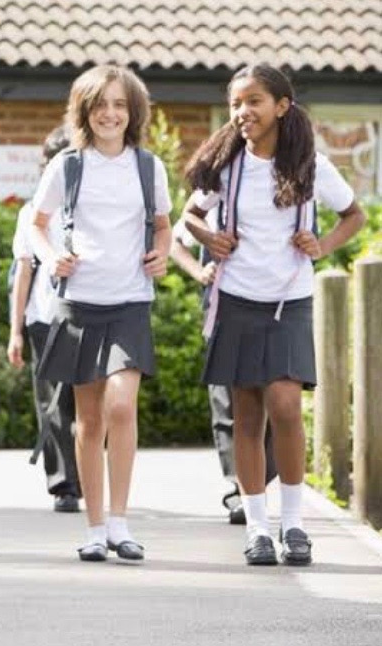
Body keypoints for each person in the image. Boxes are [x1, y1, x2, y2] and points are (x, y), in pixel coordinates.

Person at [182, 63, 365, 566]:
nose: (242, 112)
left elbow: (355, 215)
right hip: (238, 299)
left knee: (285, 406)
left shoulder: (310, 165)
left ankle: (294, 524)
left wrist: (322, 244)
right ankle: (258, 528)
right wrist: (209, 238)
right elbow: (189, 218)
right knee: (247, 415)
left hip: (289, 299)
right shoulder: (227, 167)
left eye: (254, 101)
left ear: (282, 106)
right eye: (236, 103)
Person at [30, 65, 172, 562]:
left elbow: (162, 226)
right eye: (100, 105)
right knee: (88, 421)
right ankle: (94, 529)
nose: (110, 113)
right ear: (85, 112)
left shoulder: (148, 167)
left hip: (130, 302)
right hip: (79, 304)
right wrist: (51, 257)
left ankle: (120, 522)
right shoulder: (66, 166)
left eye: (119, 104)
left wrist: (163, 251)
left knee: (120, 406)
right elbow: (36, 224)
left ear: (132, 111)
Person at [169, 213, 278, 524]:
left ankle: (259, 481)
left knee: (274, 397)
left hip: (272, 305)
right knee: (226, 399)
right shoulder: (213, 190)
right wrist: (199, 271)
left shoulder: (279, 184)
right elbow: (176, 242)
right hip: (220, 307)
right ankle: (241, 488)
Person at [7, 125, 81, 514]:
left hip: (89, 315)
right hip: (44, 318)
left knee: (86, 402)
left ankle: (86, 476)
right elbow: (24, 271)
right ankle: (64, 485)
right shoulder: (31, 212)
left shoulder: (95, 207)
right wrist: (15, 330)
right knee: (52, 403)